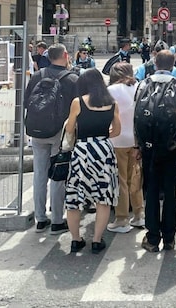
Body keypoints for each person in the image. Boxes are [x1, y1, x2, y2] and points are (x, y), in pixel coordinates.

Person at [138, 50, 176, 252]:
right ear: (173, 64)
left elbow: (138, 118)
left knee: (151, 189)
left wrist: (138, 145)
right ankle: (169, 237)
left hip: (149, 146)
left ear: (154, 63)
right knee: (170, 189)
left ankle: (152, 238)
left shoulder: (143, 84)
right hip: (172, 145)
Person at [64, 68, 121, 254]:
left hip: (82, 150)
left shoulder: (78, 102)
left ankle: (76, 239)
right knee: (103, 197)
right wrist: (103, 137)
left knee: (74, 196)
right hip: (104, 149)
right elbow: (117, 131)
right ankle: (96, 240)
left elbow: (70, 129)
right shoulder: (112, 103)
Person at [24, 43, 78, 234]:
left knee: (39, 173)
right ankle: (57, 220)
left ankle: (40, 218)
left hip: (37, 132)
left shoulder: (38, 76)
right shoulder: (72, 79)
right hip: (60, 134)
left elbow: (26, 101)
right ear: (65, 55)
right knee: (58, 175)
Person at [106, 62, 144, 233]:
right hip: (136, 139)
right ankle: (139, 214)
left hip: (117, 139)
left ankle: (122, 219)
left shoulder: (111, 91)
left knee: (121, 180)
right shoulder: (139, 87)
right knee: (135, 178)